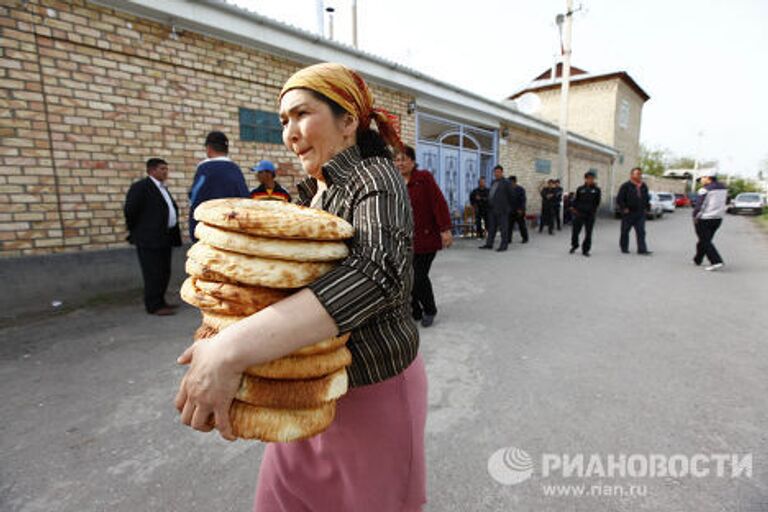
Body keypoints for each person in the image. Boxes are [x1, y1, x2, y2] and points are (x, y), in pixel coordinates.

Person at [174, 62, 427, 512]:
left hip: (372, 392)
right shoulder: (312, 194)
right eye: (283, 122)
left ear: (348, 121)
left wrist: (232, 349)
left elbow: (376, 275)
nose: (290, 132)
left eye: (302, 114)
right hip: (305, 388)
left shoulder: (375, 177)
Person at [395, 144, 452, 328]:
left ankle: (429, 310)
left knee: (419, 276)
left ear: (412, 161)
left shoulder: (424, 178)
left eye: (403, 159)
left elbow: (439, 203)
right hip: (404, 240)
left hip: (426, 237)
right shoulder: (394, 181)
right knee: (406, 277)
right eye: (396, 159)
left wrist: (445, 229)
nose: (400, 163)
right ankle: (415, 310)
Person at [124, 158, 182, 316]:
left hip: (165, 238)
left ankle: (161, 301)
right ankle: (153, 305)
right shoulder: (141, 187)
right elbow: (130, 211)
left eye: (166, 169)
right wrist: (139, 231)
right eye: (162, 169)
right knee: (152, 272)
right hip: (149, 239)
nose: (165, 172)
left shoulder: (162, 188)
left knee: (164, 271)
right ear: (151, 171)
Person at [188, 131, 249, 241]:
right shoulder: (235, 170)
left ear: (209, 148)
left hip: (209, 233)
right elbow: (245, 200)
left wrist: (194, 233)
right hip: (233, 234)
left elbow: (195, 199)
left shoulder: (204, 169)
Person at [692, 170, 727, 271]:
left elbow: (700, 206)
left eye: (702, 178)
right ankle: (698, 259)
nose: (701, 181)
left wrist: (695, 216)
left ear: (708, 177)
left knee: (705, 241)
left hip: (705, 218)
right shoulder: (723, 188)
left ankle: (716, 261)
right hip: (718, 218)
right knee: (705, 240)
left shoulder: (705, 190)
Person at [617, 167, 652, 255]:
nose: (639, 176)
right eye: (637, 174)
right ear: (632, 175)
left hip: (640, 213)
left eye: (640, 174)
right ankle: (624, 248)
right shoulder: (625, 186)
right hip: (629, 213)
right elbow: (620, 199)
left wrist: (647, 208)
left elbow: (646, 198)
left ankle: (642, 249)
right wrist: (624, 208)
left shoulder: (644, 186)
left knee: (641, 231)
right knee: (625, 231)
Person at [479, 164, 514, 251]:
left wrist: (508, 208)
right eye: (495, 172)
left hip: (502, 210)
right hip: (492, 209)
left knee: (503, 229)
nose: (496, 174)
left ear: (502, 172)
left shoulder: (507, 183)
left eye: (498, 172)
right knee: (491, 228)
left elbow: (512, 196)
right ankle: (489, 244)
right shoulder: (493, 182)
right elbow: (492, 194)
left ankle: (503, 246)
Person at [569, 171, 602, 257]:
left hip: (590, 214)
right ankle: (574, 245)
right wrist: (573, 207)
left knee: (588, 233)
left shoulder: (597, 190)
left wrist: (593, 210)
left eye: (592, 178)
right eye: (589, 178)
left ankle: (585, 250)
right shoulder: (580, 189)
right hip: (579, 213)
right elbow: (576, 200)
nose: (590, 180)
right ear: (586, 179)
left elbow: (597, 202)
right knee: (575, 231)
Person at [507, 175, 528, 244]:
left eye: (510, 182)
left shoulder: (521, 189)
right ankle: (508, 239)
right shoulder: (508, 190)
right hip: (511, 210)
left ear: (514, 182)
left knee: (521, 225)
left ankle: (525, 238)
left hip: (519, 211)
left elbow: (523, 200)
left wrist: (521, 209)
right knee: (509, 226)